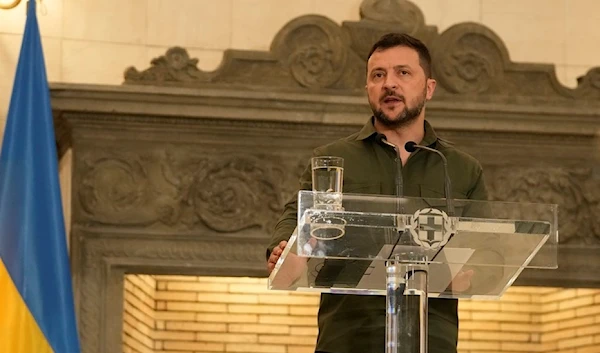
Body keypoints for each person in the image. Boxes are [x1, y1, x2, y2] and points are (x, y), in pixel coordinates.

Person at [266, 32, 489, 353]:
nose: (389, 83)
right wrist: (286, 253)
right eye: (378, 75)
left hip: (431, 340)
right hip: (347, 339)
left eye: (403, 72)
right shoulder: (332, 162)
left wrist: (472, 273)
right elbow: (291, 232)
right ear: (368, 88)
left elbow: (489, 252)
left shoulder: (460, 168)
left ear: (429, 88)